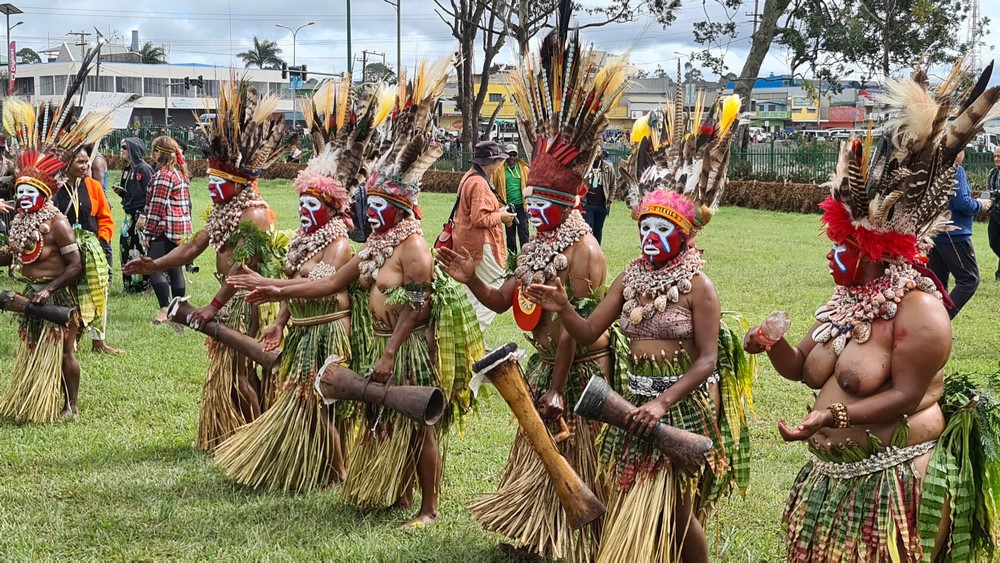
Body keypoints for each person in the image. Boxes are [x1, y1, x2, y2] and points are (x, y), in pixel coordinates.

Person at [743, 68, 1000, 561]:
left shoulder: (919, 309)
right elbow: (803, 370)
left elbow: (905, 395)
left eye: (843, 246)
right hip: (836, 479)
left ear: (875, 250)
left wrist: (832, 415)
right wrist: (773, 347)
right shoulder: (845, 300)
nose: (831, 256)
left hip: (895, 484)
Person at [231, 58, 483, 528]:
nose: (377, 209)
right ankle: (396, 492)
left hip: (409, 349)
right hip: (381, 346)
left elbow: (419, 304)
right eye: (374, 202)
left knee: (421, 424)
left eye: (385, 203)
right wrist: (272, 287)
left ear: (404, 204)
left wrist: (390, 351)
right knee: (384, 421)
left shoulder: (414, 248)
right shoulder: (376, 245)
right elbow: (328, 283)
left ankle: (428, 508)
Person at [526, 88, 750, 563]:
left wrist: (663, 402)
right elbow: (588, 333)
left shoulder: (699, 286)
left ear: (685, 233)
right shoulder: (631, 275)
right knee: (636, 495)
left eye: (663, 229)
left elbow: (708, 359)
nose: (651, 237)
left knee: (678, 511)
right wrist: (565, 306)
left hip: (682, 404)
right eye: (646, 227)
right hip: (631, 403)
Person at [437, 25, 625, 561]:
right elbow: (504, 303)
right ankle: (538, 530)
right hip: (545, 367)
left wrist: (560, 387)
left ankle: (581, 534)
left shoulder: (584, 252)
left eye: (546, 203)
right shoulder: (538, 245)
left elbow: (574, 325)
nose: (536, 213)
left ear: (569, 201)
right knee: (536, 449)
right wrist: (470, 275)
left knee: (578, 452)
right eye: (533, 201)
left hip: (582, 373)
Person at [212, 78, 392, 493]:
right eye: (302, 203)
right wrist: (279, 321)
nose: (305, 211)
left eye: (313, 205)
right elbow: (297, 283)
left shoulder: (340, 244)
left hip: (330, 330)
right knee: (299, 395)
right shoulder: (302, 239)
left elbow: (322, 288)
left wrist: (272, 288)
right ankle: (310, 465)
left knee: (323, 399)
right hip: (303, 329)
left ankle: (339, 472)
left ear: (330, 208)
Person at [124, 79, 293, 451]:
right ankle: (232, 434)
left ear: (238, 183)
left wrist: (212, 306)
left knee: (243, 372)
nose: (211, 189)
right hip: (229, 297)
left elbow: (241, 273)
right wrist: (154, 264)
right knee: (231, 372)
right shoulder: (225, 210)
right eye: (211, 181)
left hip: (249, 302)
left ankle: (254, 438)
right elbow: (192, 248)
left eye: (218, 182)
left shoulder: (255, 215)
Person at [0, 92, 110, 422]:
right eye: (19, 191)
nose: (22, 197)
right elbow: (14, 255)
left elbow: (75, 265)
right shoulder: (21, 220)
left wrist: (51, 289)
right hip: (30, 294)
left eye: (28, 193)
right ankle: (35, 400)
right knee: (32, 346)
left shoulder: (57, 223)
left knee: (66, 350)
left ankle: (70, 406)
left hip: (57, 294)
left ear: (44, 193)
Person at [55, 145, 121, 355]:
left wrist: (101, 240)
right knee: (69, 294)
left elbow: (105, 217)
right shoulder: (55, 188)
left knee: (98, 292)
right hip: (63, 250)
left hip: (92, 248)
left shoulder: (93, 186)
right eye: (80, 162)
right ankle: (69, 341)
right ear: (67, 164)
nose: (85, 166)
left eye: (86, 162)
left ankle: (98, 342)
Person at [451, 139, 515, 330]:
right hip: (481, 244)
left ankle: (464, 334)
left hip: (465, 241)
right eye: (497, 162)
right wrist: (502, 216)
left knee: (472, 290)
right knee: (498, 289)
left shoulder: (469, 176)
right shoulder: (479, 183)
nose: (498, 166)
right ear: (491, 163)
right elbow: (480, 219)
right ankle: (473, 333)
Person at [927, 149, 992, 319]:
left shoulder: (932, 170)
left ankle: (930, 326)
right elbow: (964, 204)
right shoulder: (955, 170)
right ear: (958, 152)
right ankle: (939, 322)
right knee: (969, 279)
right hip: (954, 235)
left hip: (934, 234)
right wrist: (980, 204)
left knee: (938, 284)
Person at [138, 136, 193, 325]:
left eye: (153, 151)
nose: (151, 156)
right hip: (181, 229)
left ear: (159, 153)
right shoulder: (179, 173)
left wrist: (148, 233)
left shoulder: (164, 175)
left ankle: (165, 308)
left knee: (152, 266)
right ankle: (180, 310)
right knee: (174, 267)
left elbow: (156, 207)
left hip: (165, 228)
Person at [115, 137, 153, 294]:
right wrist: (123, 194)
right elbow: (133, 193)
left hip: (140, 216)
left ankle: (144, 285)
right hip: (128, 216)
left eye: (125, 147)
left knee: (140, 250)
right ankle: (129, 285)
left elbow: (151, 194)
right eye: (121, 147)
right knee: (125, 249)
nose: (121, 150)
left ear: (133, 150)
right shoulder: (128, 169)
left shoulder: (144, 169)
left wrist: (144, 214)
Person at [491, 142, 530, 252]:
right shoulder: (499, 170)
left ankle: (526, 258)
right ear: (505, 155)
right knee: (510, 235)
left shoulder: (524, 169)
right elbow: (493, 188)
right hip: (507, 207)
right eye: (509, 155)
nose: (512, 157)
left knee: (524, 233)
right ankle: (512, 258)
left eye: (514, 154)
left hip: (522, 207)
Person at [582, 148, 616, 244]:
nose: (597, 153)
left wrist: (609, 200)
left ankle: (597, 252)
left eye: (598, 150)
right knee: (588, 229)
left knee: (598, 231)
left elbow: (613, 184)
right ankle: (588, 251)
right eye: (595, 150)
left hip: (602, 205)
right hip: (587, 204)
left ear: (601, 152)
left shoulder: (608, 167)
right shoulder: (585, 167)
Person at [987, 147, 1000, 282]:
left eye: (999, 157)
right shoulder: (993, 173)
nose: (996, 159)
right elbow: (988, 190)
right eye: (995, 156)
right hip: (995, 212)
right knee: (993, 242)